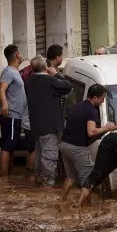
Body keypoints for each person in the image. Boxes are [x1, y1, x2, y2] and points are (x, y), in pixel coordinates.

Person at [59, 84, 116, 201]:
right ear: (95, 98)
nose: (103, 101)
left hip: (64, 145)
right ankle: (82, 206)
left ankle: (62, 200)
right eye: (102, 98)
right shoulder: (91, 110)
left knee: (70, 176)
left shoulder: (77, 105)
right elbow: (91, 131)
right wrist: (107, 128)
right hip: (77, 148)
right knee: (89, 178)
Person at [24, 56, 72, 187]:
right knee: (49, 156)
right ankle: (47, 184)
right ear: (46, 67)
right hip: (50, 126)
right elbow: (68, 86)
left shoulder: (29, 81)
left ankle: (39, 178)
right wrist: (57, 74)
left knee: (39, 153)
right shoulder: (50, 81)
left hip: (36, 126)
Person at [0, 45, 33, 176]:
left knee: (11, 147)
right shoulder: (8, 72)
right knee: (7, 147)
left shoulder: (14, 71)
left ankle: (8, 178)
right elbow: (1, 89)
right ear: (18, 54)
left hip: (16, 116)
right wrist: (5, 104)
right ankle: (3, 180)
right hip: (11, 115)